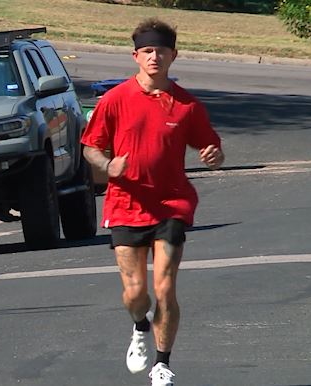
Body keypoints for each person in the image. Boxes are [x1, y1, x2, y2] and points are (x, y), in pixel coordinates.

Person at [81, 18, 224, 386]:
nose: (154, 57)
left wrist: (213, 155)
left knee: (164, 286)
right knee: (135, 293)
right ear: (136, 56)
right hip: (125, 203)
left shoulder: (187, 105)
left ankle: (162, 363)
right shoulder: (115, 100)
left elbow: (211, 146)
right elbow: (91, 148)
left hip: (172, 204)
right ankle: (139, 326)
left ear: (173, 55)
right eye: (147, 51)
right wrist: (108, 164)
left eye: (161, 50)